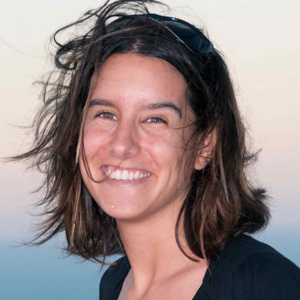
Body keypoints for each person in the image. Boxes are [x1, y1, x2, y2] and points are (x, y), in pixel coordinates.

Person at [13, 0, 300, 299]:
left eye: (155, 119)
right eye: (106, 114)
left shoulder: (260, 283)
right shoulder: (116, 284)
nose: (122, 143)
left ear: (206, 144)